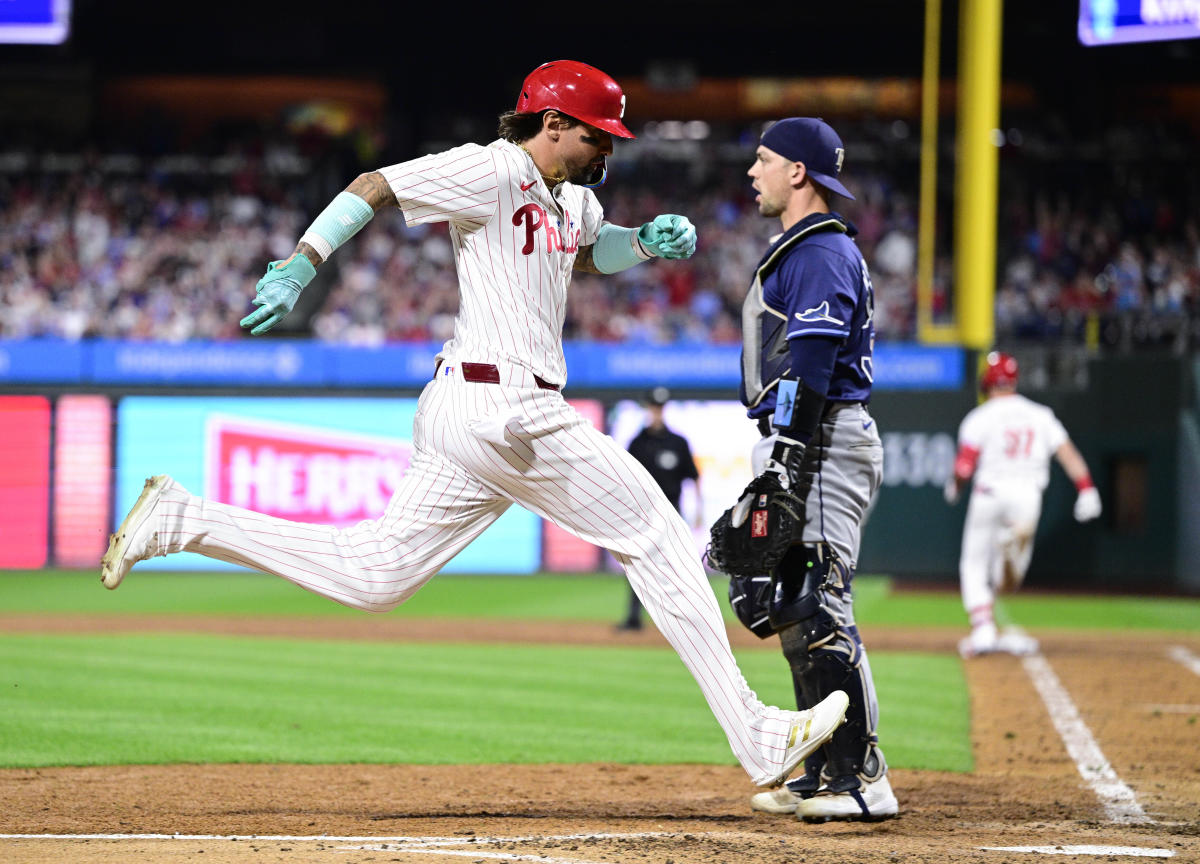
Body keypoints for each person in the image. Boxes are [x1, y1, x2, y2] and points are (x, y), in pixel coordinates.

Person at [99, 60, 850, 790]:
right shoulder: (490, 169)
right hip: (504, 406)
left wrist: (644, 242)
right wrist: (304, 261)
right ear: (553, 124)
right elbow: (376, 185)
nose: (609, 148)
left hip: (475, 414)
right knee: (654, 532)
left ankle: (181, 520)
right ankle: (755, 733)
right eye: (597, 134)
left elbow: (586, 252)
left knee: (376, 574)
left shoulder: (573, 197)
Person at [732, 117, 898, 822]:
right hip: (802, 437)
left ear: (798, 171)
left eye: (764, 159)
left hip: (823, 440)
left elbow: (813, 360)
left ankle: (863, 778)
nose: (753, 171)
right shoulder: (800, 248)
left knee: (822, 605)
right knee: (793, 612)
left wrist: (791, 454)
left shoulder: (821, 249)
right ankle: (827, 768)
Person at [944, 351, 1102, 658]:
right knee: (1010, 579)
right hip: (1028, 496)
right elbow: (1067, 453)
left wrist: (955, 486)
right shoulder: (1040, 414)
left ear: (986, 382)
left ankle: (983, 629)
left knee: (973, 564)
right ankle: (1008, 551)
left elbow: (964, 468)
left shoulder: (979, 416)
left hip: (989, 493)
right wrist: (1087, 489)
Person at [617, 386, 701, 631]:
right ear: (647, 408)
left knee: (678, 564)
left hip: (673, 510)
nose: (656, 412)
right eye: (653, 407)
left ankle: (684, 619)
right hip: (643, 512)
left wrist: (700, 510)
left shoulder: (678, 442)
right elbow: (625, 478)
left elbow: (693, 477)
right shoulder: (637, 443)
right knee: (638, 563)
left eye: (660, 407)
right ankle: (634, 618)